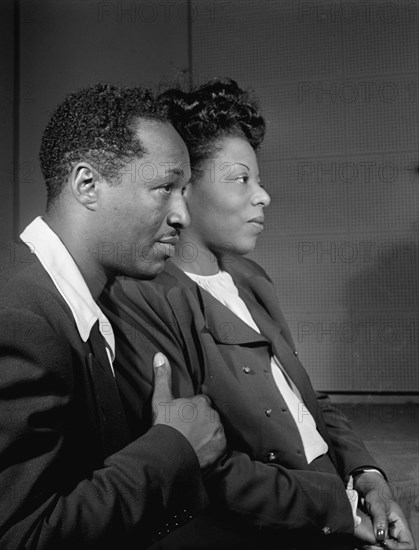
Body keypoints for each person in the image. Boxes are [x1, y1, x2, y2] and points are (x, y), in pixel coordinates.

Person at [0, 84, 226, 549]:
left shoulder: (58, 298)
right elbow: (15, 540)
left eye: (185, 192)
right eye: (166, 187)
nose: (182, 215)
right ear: (86, 184)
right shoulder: (6, 323)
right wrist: (174, 448)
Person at [101, 79, 416, 550]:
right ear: (183, 188)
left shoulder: (251, 278)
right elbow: (204, 464)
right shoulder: (141, 297)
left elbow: (307, 399)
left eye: (259, 180)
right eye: (241, 178)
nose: (263, 196)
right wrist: (342, 512)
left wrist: (367, 475)